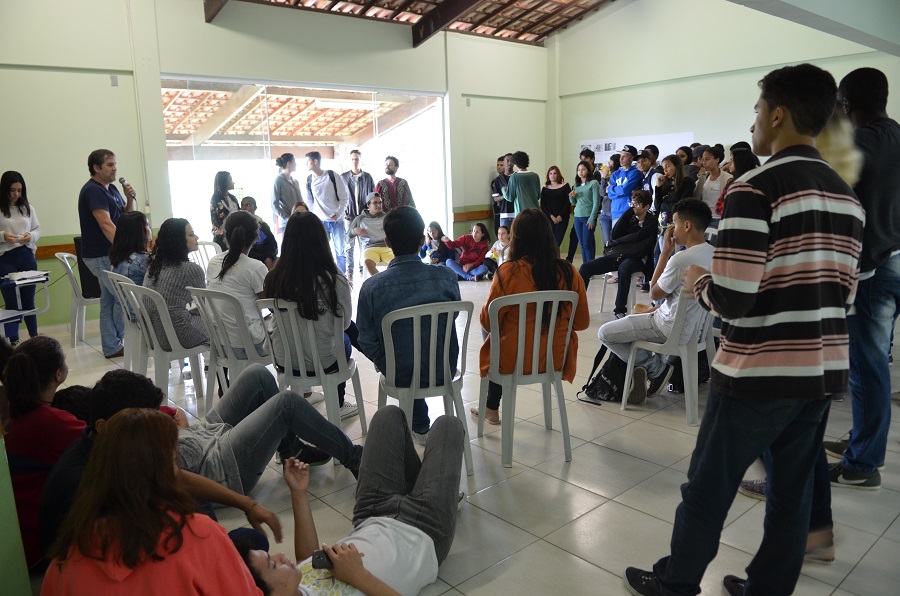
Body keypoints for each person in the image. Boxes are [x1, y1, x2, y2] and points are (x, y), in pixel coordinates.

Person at [624, 63, 865, 596]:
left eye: (757, 110)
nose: (753, 121)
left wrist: (699, 279)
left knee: (708, 486)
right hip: (822, 369)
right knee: (792, 490)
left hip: (758, 372)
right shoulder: (846, 198)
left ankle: (677, 581)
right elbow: (844, 293)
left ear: (777, 114)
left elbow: (734, 299)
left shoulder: (755, 187)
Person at [39, 368, 284, 561]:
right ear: (105, 426)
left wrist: (246, 504)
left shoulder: (109, 448)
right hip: (117, 565)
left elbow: (173, 475)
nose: (154, 430)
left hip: (132, 552)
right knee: (249, 545)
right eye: (144, 423)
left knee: (244, 538)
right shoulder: (85, 483)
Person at [235, 406, 465, 595]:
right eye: (272, 564)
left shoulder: (293, 586)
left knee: (388, 416)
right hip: (423, 533)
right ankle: (434, 496)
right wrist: (358, 575)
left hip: (371, 515)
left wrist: (299, 493)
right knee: (448, 425)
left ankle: (427, 490)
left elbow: (307, 561)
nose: (279, 556)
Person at [41, 408, 262, 595]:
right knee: (256, 544)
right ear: (166, 472)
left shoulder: (66, 559)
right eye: (174, 462)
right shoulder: (200, 535)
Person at [824, 67, 900, 491]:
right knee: (871, 364)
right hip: (895, 257)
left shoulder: (860, 142)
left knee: (867, 368)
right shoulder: (896, 136)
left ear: (846, 105)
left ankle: (863, 463)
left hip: (874, 266)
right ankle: (861, 439)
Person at [470, 208, 589, 425]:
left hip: (511, 360)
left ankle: (491, 405)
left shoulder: (508, 273)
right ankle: (490, 405)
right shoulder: (570, 272)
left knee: (490, 331)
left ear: (516, 239)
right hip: (555, 358)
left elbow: (488, 322)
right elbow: (581, 323)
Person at [357, 206, 461, 444]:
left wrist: (386, 361)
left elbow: (365, 339)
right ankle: (426, 426)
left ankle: (419, 426)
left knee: (406, 354)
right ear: (422, 240)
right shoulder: (446, 277)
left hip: (399, 372)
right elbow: (452, 317)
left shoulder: (372, 287)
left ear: (387, 242)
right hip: (443, 366)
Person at [594, 199, 713, 405]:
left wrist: (666, 253)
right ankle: (645, 368)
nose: (672, 229)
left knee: (605, 333)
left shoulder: (680, 259)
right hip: (695, 329)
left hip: (667, 328)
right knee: (634, 322)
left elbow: (654, 293)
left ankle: (656, 369)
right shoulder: (715, 253)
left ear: (687, 225)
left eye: (674, 224)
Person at [265, 211, 360, 420]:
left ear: (287, 241)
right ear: (321, 240)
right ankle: (339, 404)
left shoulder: (273, 277)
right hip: (325, 362)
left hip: (285, 359)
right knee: (343, 337)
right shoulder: (334, 278)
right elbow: (344, 323)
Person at [4, 337, 85, 569]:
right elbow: (110, 444)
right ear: (58, 375)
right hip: (36, 546)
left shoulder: (7, 408)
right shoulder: (55, 424)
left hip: (12, 530)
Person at [78, 149, 136, 358]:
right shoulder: (93, 191)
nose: (115, 168)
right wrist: (124, 249)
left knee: (109, 301)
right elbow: (105, 223)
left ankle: (112, 346)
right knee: (123, 297)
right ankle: (117, 342)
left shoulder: (110, 188)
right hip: (100, 254)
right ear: (96, 168)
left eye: (115, 164)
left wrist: (129, 198)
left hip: (107, 253)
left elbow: (124, 217)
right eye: (110, 165)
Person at [579, 190, 659, 317]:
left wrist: (613, 242)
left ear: (647, 206)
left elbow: (637, 236)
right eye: (632, 203)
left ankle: (620, 310)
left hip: (637, 258)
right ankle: (577, 306)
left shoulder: (652, 221)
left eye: (637, 204)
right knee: (585, 267)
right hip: (617, 255)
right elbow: (614, 234)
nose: (633, 206)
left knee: (624, 268)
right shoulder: (629, 217)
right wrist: (628, 212)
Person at [206, 211, 269, 359]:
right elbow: (270, 303)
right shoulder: (255, 267)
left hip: (221, 345)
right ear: (256, 236)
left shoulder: (213, 262)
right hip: (250, 346)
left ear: (225, 235)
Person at [143, 218, 208, 351]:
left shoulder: (155, 263)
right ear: (178, 240)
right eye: (191, 235)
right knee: (224, 327)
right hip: (177, 336)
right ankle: (219, 369)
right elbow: (206, 306)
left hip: (153, 335)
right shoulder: (190, 269)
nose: (196, 237)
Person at [0, 171, 41, 343]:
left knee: (28, 300)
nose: (16, 194)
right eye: (12, 190)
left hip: (26, 255)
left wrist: (30, 237)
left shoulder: (28, 208)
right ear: (4, 190)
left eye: (19, 190)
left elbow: (37, 230)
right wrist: (3, 235)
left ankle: (34, 338)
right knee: (11, 303)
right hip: (5, 258)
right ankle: (13, 341)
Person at [305, 151, 351, 273]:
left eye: (308, 161)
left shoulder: (332, 175)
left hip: (337, 221)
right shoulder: (309, 180)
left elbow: (344, 197)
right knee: (321, 251)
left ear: (315, 161)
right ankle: (324, 276)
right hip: (320, 221)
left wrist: (339, 213)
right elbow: (309, 201)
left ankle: (342, 278)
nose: (306, 164)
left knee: (340, 252)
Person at [341, 149, 376, 281]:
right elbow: (340, 196)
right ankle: (349, 273)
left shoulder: (367, 177)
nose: (355, 161)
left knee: (363, 244)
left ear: (360, 161)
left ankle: (363, 272)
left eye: (357, 159)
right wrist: (342, 210)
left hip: (363, 217)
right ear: (350, 161)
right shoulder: (343, 177)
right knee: (349, 245)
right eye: (352, 159)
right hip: (349, 217)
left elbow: (372, 196)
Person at [348, 192, 391, 277]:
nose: (378, 205)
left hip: (386, 247)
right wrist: (355, 231)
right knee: (368, 263)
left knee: (397, 263)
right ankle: (380, 282)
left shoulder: (386, 217)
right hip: (370, 248)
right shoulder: (359, 219)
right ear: (368, 205)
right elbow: (347, 238)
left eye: (380, 203)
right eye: (375, 203)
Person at [569, 160, 600, 263]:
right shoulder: (576, 185)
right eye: (578, 170)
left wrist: (592, 218)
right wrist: (571, 197)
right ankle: (585, 266)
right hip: (577, 216)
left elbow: (596, 203)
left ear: (588, 171)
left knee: (587, 243)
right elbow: (574, 202)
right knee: (582, 243)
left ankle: (590, 267)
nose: (580, 172)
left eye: (583, 169)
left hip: (588, 217)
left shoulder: (593, 183)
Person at [693, 145, 732, 228]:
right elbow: (696, 197)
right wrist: (701, 179)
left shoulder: (727, 178)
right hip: (704, 218)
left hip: (719, 219)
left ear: (717, 160)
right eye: (702, 159)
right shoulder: (704, 177)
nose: (704, 163)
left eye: (707, 159)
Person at [109, 210, 151, 286]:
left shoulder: (116, 258)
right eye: (147, 225)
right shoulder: (143, 260)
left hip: (123, 298)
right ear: (139, 231)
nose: (150, 228)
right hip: (141, 298)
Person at [607, 145, 643, 225]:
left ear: (632, 158)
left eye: (625, 156)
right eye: (620, 156)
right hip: (615, 211)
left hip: (628, 211)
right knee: (615, 237)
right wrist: (616, 190)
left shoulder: (635, 173)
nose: (621, 159)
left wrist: (610, 188)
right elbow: (610, 195)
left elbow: (625, 189)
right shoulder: (615, 174)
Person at [240, 196, 278, 269]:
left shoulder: (262, 225)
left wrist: (269, 257)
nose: (244, 208)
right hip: (250, 259)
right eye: (242, 205)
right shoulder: (239, 226)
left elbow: (272, 243)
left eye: (248, 205)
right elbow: (244, 248)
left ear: (255, 208)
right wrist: (263, 259)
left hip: (267, 258)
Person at [501, 150, 541, 215]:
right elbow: (538, 196)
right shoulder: (535, 176)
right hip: (535, 212)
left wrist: (503, 189)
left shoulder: (514, 177)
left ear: (515, 164)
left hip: (521, 214)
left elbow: (510, 197)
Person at [541, 165, 572, 247]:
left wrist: (560, 216)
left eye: (555, 173)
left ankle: (556, 259)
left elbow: (568, 202)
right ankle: (551, 259)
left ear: (558, 174)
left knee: (557, 242)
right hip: (549, 219)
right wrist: (551, 216)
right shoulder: (544, 189)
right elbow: (543, 205)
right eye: (550, 173)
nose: (552, 175)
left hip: (562, 218)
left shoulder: (565, 186)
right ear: (548, 175)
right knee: (549, 243)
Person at [272, 153, 302, 234]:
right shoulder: (278, 180)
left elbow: (300, 202)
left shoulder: (295, 181)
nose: (296, 164)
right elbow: (274, 204)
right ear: (289, 163)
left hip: (299, 221)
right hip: (286, 224)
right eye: (294, 162)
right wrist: (286, 217)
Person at [210, 170, 239, 252]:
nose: (233, 182)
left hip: (234, 235)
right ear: (224, 182)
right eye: (230, 180)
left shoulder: (232, 198)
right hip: (222, 238)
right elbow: (218, 221)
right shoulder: (215, 200)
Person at [493, 153, 515, 231]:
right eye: (507, 161)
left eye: (511, 161)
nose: (509, 163)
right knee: (504, 237)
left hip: (517, 212)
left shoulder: (518, 177)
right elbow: (495, 198)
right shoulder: (498, 180)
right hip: (504, 214)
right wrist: (505, 195)